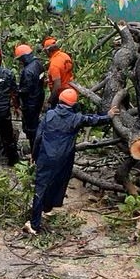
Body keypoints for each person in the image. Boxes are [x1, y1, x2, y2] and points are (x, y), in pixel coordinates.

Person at [25, 89, 118, 235]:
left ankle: (35, 223)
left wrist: (34, 154)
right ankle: (47, 208)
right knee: (58, 183)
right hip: (64, 159)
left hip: (45, 156)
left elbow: (38, 137)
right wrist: (108, 116)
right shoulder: (76, 118)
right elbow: (92, 120)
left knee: (40, 187)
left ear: (60, 101)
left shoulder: (49, 115)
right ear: (73, 104)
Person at [15, 43, 45, 147]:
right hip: (39, 98)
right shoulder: (38, 64)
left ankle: (34, 152)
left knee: (31, 129)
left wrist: (17, 91)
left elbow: (26, 89)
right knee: (36, 125)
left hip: (30, 103)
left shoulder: (28, 71)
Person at [43, 37, 73, 108]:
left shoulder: (54, 64)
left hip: (61, 96)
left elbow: (57, 85)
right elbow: (65, 72)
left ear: (47, 51)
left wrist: (50, 100)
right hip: (70, 92)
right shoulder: (65, 56)